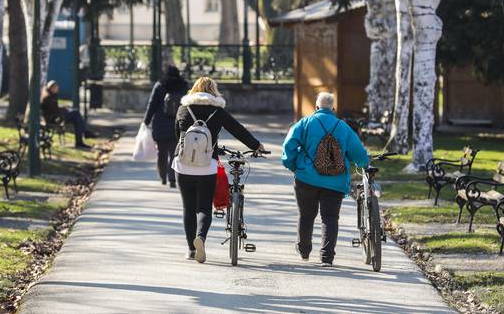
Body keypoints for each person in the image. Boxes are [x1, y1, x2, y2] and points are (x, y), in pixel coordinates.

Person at [173, 77, 266, 263]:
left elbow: (177, 134)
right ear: (213, 91)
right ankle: (201, 238)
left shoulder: (183, 109)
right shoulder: (217, 111)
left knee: (188, 208)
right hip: (207, 166)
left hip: (183, 166)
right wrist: (256, 145)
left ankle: (191, 249)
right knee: (204, 207)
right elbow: (237, 129)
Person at [282, 92, 369, 267]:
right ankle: (327, 258)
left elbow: (289, 145)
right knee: (330, 218)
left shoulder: (305, 123)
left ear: (316, 107)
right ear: (333, 108)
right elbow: (358, 153)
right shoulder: (343, 127)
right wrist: (364, 163)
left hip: (306, 179)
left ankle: (304, 251)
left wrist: (293, 165)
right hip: (335, 181)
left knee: (306, 215)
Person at [143, 66, 189, 188]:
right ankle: (172, 178)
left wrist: (146, 122)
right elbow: (188, 105)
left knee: (161, 153)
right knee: (174, 152)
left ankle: (163, 176)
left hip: (160, 124)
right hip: (177, 124)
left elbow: (152, 105)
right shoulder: (184, 86)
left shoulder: (159, 85)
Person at [41, 80, 94, 149]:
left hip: (56, 117)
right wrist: (64, 110)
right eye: (56, 88)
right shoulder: (48, 97)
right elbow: (54, 111)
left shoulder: (51, 96)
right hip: (54, 119)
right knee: (76, 113)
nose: (57, 89)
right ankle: (84, 134)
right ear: (52, 88)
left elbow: (54, 109)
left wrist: (64, 108)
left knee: (76, 119)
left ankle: (81, 140)